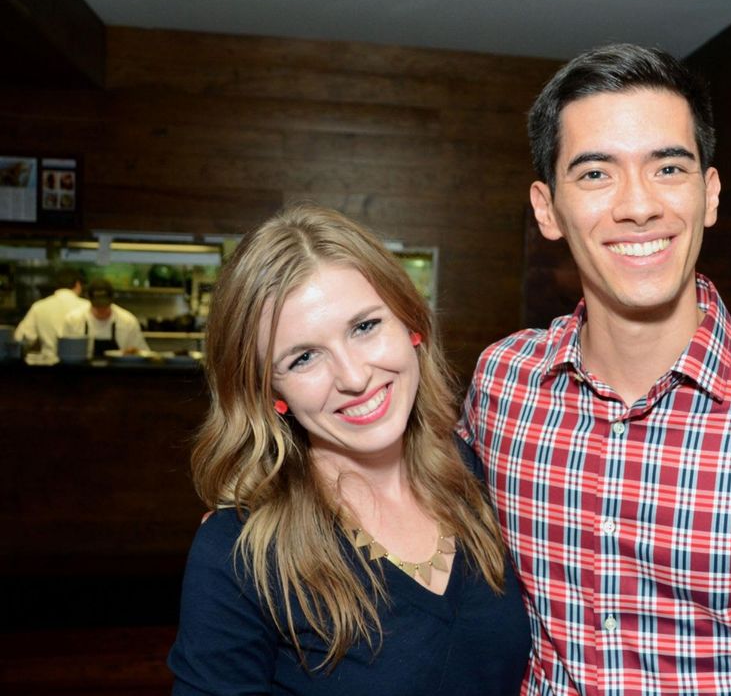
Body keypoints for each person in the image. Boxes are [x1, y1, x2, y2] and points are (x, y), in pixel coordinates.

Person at [458, 44, 731, 695]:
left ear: (710, 193)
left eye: (668, 166)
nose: (638, 205)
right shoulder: (504, 384)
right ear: (547, 208)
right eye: (595, 174)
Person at [168, 205, 530, 694]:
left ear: (410, 323)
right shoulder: (238, 555)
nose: (354, 377)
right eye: (303, 358)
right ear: (270, 392)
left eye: (364, 327)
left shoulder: (485, 476)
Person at [14, 266, 89, 362]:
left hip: (47, 367)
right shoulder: (87, 306)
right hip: (80, 366)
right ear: (78, 284)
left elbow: (20, 338)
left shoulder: (39, 306)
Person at [62, 278, 149, 356]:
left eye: (105, 306)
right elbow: (65, 354)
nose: (101, 310)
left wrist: (132, 353)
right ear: (89, 299)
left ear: (112, 300)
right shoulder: (73, 319)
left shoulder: (128, 321)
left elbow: (142, 353)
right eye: (97, 306)